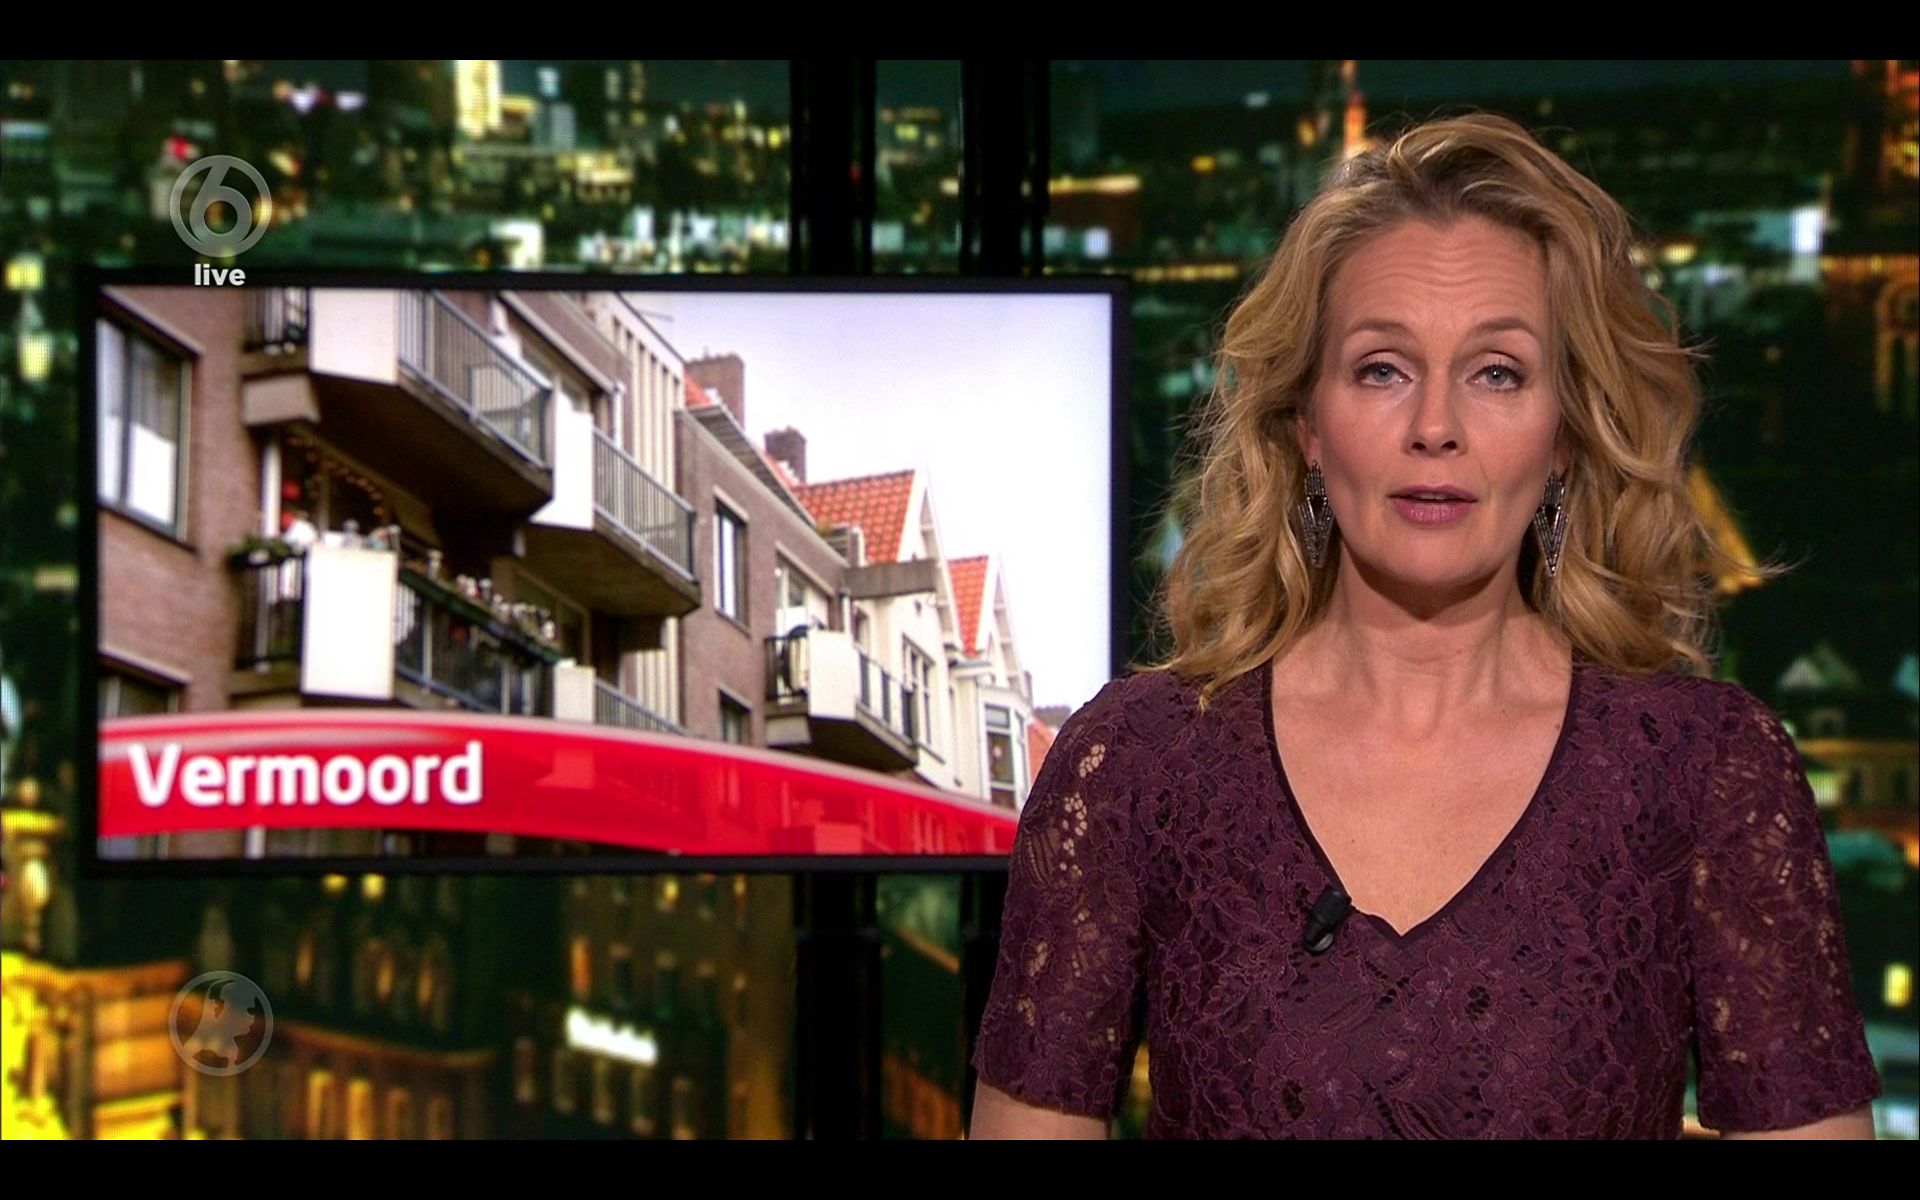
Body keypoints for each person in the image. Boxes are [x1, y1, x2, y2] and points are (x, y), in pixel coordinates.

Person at [967, 111, 1883, 1140]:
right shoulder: (1136, 766)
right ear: (1308, 425)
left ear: (1567, 433)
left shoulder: (1708, 772)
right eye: (1382, 369)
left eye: (1497, 373)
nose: (1435, 426)